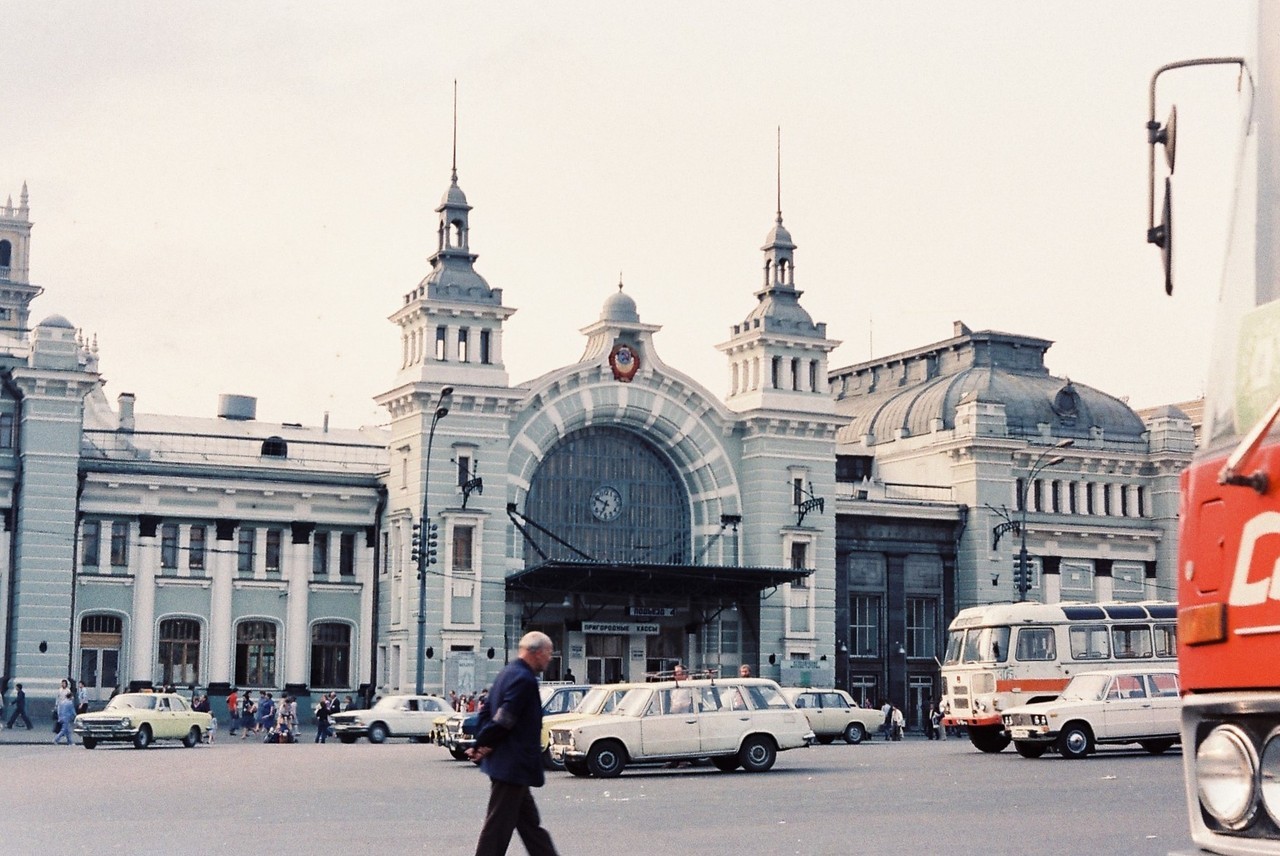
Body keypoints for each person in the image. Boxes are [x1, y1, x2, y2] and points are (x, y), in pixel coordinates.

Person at [467, 630, 560, 856]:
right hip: (513, 765)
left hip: (508, 764)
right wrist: (481, 744)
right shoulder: (524, 679)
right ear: (535, 652)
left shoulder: (506, 673)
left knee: (530, 827)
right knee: (497, 828)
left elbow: (486, 712)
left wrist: (483, 742)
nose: (549, 658)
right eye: (548, 653)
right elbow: (505, 719)